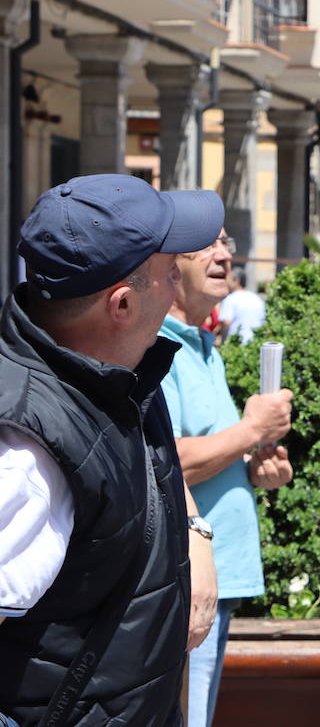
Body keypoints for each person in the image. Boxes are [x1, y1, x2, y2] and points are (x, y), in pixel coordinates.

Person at [0, 174, 224, 725]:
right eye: (171, 272)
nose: (179, 286)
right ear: (122, 304)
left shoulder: (119, 378)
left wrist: (195, 536)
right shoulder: (28, 453)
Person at [160, 228, 294, 727]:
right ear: (167, 265)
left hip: (215, 580)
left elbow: (208, 453)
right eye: (205, 244)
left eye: (226, 242)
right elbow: (166, 461)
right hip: (184, 581)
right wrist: (251, 430)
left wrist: (259, 468)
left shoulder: (202, 345)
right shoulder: (157, 347)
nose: (223, 255)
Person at [217, 264, 266, 343]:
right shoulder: (257, 298)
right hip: (256, 344)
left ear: (237, 281)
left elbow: (226, 322)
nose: (225, 282)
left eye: (228, 279)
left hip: (236, 345)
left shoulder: (231, 299)